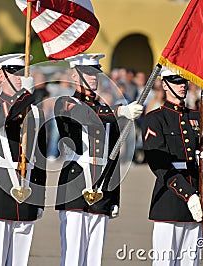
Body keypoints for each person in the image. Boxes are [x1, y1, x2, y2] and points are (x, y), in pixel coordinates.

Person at [54, 53, 143, 266]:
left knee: (94, 255)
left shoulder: (105, 109)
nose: (93, 78)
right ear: (74, 76)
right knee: (73, 254)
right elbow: (85, 115)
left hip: (102, 185)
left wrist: (114, 196)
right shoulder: (66, 102)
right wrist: (120, 111)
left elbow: (113, 155)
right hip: (75, 184)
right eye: (87, 73)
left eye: (95, 73)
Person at [0, 53, 46, 266]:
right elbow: (1, 120)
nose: (19, 77)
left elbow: (39, 158)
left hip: (26, 191)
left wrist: (39, 197)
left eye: (23, 72)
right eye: (14, 72)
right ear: (1, 74)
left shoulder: (36, 113)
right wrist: (24, 96)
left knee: (19, 260)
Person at [141, 68, 203, 266]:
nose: (182, 85)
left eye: (184, 81)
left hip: (198, 195)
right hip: (170, 197)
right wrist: (188, 194)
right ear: (164, 85)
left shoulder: (198, 117)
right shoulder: (155, 119)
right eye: (175, 81)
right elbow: (159, 165)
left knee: (190, 261)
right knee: (165, 261)